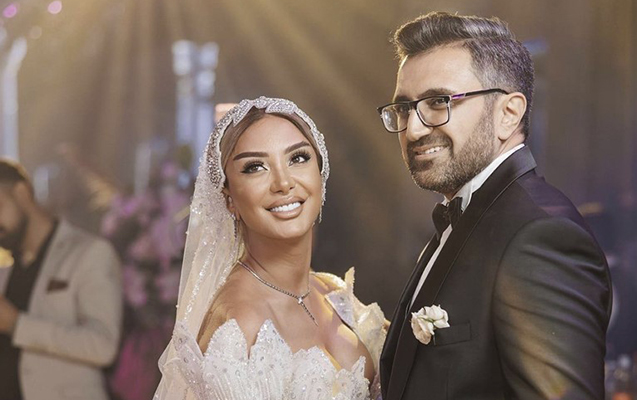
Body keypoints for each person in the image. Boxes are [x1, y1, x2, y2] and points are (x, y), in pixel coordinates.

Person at [377, 12, 612, 400]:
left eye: (438, 102)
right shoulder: (467, 219)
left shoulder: (540, 236)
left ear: (509, 113)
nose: (413, 129)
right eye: (404, 108)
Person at [154, 96, 386, 400]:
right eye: (255, 167)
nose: (283, 183)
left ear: (320, 172)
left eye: (298, 158)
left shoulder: (331, 291)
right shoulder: (238, 325)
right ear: (228, 199)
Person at [0, 158, 123, 400]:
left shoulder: (89, 252)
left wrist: (17, 325)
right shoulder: (5, 272)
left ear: (22, 193)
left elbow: (103, 346)